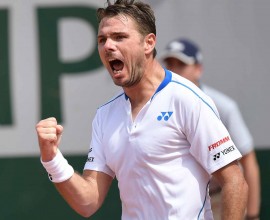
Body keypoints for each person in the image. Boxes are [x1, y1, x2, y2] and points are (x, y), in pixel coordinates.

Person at [36, 1, 248, 219]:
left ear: (149, 43)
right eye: (102, 39)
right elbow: (88, 201)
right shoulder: (105, 115)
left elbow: (235, 182)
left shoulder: (187, 99)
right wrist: (51, 159)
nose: (108, 46)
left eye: (119, 37)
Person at [161, 38, 260, 220]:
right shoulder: (155, 106)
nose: (174, 71)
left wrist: (252, 215)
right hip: (179, 200)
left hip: (221, 196)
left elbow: (248, 161)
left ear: (198, 69)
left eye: (181, 64)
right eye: (169, 64)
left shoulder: (222, 106)